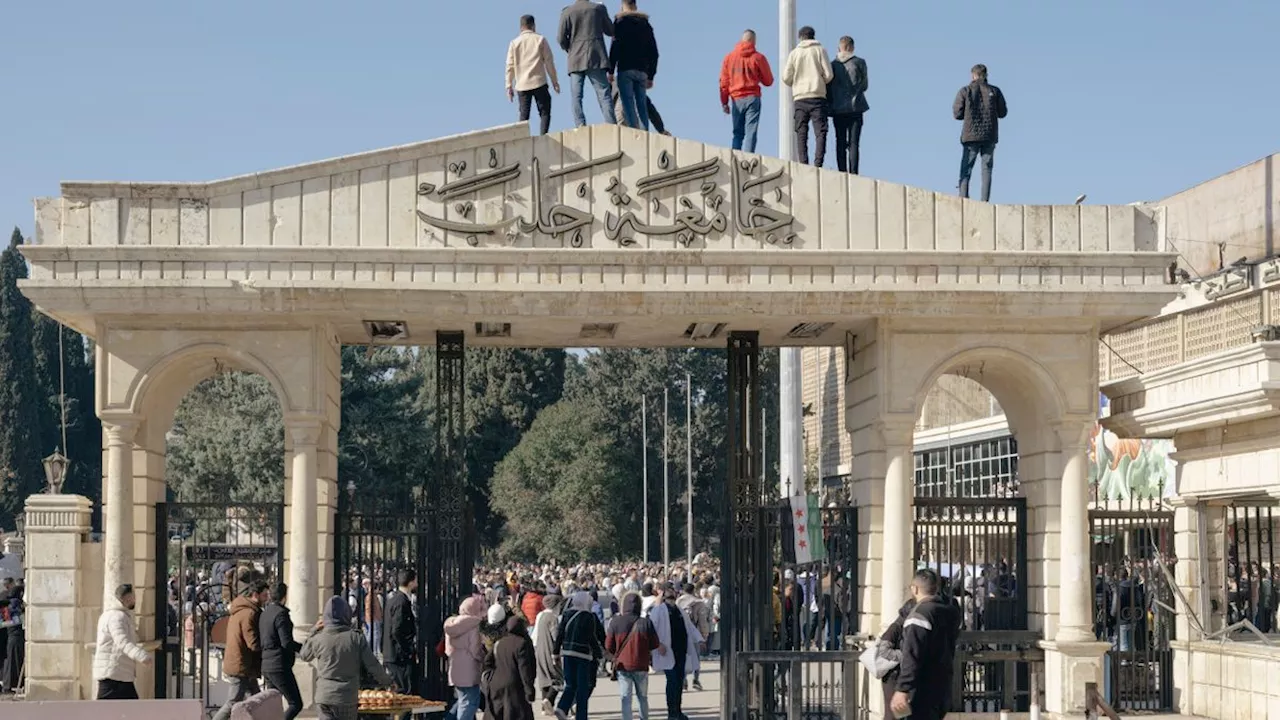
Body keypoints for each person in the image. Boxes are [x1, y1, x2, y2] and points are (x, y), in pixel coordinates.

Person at [302, 596, 395, 720]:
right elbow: (372, 665)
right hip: (346, 697)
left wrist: (313, 630)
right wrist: (387, 681)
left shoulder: (319, 638)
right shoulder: (355, 638)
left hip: (324, 697)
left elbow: (304, 655)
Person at [891, 570, 962, 720]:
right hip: (943, 685)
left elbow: (912, 654)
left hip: (922, 689)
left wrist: (902, 689)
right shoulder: (950, 612)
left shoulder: (918, 616)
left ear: (915, 589)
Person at [213, 579, 270, 720]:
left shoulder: (241, 609)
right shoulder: (249, 613)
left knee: (256, 700)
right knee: (234, 702)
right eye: (264, 595)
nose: (267, 598)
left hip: (243, 664)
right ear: (255, 595)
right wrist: (267, 648)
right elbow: (252, 642)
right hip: (241, 665)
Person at [953, 63, 1008, 202]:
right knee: (987, 169)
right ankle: (984, 201)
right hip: (989, 135)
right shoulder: (995, 91)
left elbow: (957, 114)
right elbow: (1003, 113)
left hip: (970, 135)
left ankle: (963, 199)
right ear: (986, 75)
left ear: (973, 75)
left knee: (966, 168)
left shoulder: (965, 91)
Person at [557, 0, 617, 127]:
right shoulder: (598, 9)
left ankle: (580, 125)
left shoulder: (567, 11)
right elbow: (610, 30)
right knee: (604, 94)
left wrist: (570, 49)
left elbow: (560, 38)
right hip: (596, 57)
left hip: (575, 59)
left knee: (576, 96)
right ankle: (611, 124)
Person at [781, 26, 833, 167]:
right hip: (817, 96)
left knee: (801, 132)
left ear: (800, 37)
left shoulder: (794, 53)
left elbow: (786, 78)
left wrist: (796, 81)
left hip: (800, 97)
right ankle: (818, 162)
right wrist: (820, 80)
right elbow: (829, 75)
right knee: (820, 132)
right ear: (813, 36)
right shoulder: (820, 50)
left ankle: (803, 162)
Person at [649, 584, 703, 720]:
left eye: (673, 595)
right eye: (669, 596)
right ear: (664, 598)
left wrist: (700, 639)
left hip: (681, 651)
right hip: (667, 651)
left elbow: (689, 627)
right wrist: (657, 645)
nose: (672, 598)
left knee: (679, 681)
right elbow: (651, 629)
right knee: (672, 681)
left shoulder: (680, 610)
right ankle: (672, 712)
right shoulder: (658, 610)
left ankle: (678, 710)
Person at [606, 592, 662, 720]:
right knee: (642, 697)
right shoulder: (645, 622)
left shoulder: (615, 622)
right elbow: (655, 643)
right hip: (641, 665)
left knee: (625, 698)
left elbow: (608, 645)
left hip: (623, 666)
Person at [93, 584, 154, 700]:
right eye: (133, 596)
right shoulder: (116, 617)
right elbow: (122, 642)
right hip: (113, 674)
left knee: (129, 711)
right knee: (105, 712)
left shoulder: (116, 615)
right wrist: (142, 656)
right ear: (126, 598)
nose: (135, 599)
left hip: (119, 674)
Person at [719, 29, 774, 153]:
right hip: (752, 98)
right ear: (753, 41)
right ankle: (748, 158)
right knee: (751, 131)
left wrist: (724, 102)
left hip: (736, 99)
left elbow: (723, 83)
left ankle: (735, 156)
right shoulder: (758, 57)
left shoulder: (729, 58)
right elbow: (769, 81)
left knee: (737, 133)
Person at [553, 591, 605, 720]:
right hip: (583, 656)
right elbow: (591, 637)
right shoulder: (589, 617)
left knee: (570, 684)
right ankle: (581, 716)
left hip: (567, 653)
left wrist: (555, 652)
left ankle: (561, 707)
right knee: (582, 688)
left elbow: (560, 634)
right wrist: (599, 654)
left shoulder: (566, 614)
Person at [608, 0, 659, 131]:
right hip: (642, 70)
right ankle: (644, 133)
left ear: (622, 6)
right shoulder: (645, 24)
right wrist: (651, 75)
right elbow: (654, 52)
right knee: (642, 105)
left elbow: (615, 48)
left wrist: (611, 70)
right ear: (635, 6)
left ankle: (634, 133)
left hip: (625, 68)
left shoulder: (620, 23)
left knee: (628, 104)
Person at [506, 14, 561, 136]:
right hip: (539, 81)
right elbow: (549, 62)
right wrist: (554, 82)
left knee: (524, 114)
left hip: (522, 84)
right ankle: (543, 135)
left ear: (521, 27)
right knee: (545, 111)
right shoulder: (540, 39)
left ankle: (522, 139)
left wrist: (509, 85)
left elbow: (510, 66)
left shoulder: (514, 43)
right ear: (533, 26)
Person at [260, 583, 304, 720]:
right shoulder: (281, 615)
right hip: (279, 664)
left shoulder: (265, 613)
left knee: (274, 705)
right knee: (295, 704)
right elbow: (287, 642)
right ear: (285, 596)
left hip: (267, 664)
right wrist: (303, 648)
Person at [483, 614, 538, 720]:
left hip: (496, 683)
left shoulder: (499, 642)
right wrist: (529, 691)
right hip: (514, 685)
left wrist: (491, 675)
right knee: (517, 713)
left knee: (499, 712)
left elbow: (487, 661)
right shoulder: (521, 643)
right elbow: (524, 669)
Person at [827, 36, 869, 174]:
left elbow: (829, 87)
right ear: (852, 47)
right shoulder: (860, 62)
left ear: (839, 48)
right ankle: (854, 172)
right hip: (856, 108)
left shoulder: (832, 65)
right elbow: (864, 85)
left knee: (840, 141)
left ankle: (842, 171)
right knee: (854, 143)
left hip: (838, 109)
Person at [443, 595, 489, 720]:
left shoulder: (451, 625)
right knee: (470, 703)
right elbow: (475, 650)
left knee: (463, 700)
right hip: (470, 669)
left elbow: (447, 650)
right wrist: (484, 658)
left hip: (455, 667)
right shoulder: (474, 625)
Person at [876, 598, 916, 716]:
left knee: (903, 712)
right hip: (892, 676)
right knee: (892, 713)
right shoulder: (896, 627)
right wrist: (904, 656)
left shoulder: (909, 627)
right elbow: (883, 650)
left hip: (904, 674)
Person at [383, 569, 419, 697]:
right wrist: (407, 649)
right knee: (404, 693)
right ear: (410, 582)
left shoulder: (395, 599)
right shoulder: (401, 601)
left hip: (394, 654)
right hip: (399, 656)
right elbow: (397, 630)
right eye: (415, 580)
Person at [533, 593, 566, 715]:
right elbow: (555, 636)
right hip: (551, 651)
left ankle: (545, 707)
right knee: (557, 678)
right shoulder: (553, 618)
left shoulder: (541, 616)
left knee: (544, 679)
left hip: (540, 651)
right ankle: (549, 699)